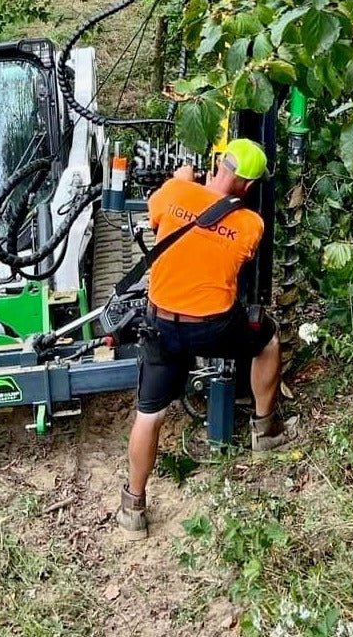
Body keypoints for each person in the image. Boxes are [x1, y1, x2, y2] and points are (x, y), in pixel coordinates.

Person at [118, 137, 289, 538]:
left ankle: (133, 507)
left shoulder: (175, 191)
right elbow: (239, 257)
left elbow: (160, 213)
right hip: (212, 329)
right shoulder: (251, 224)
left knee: (150, 415)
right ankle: (266, 431)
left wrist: (182, 181)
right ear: (248, 187)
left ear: (218, 165)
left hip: (160, 324)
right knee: (267, 339)